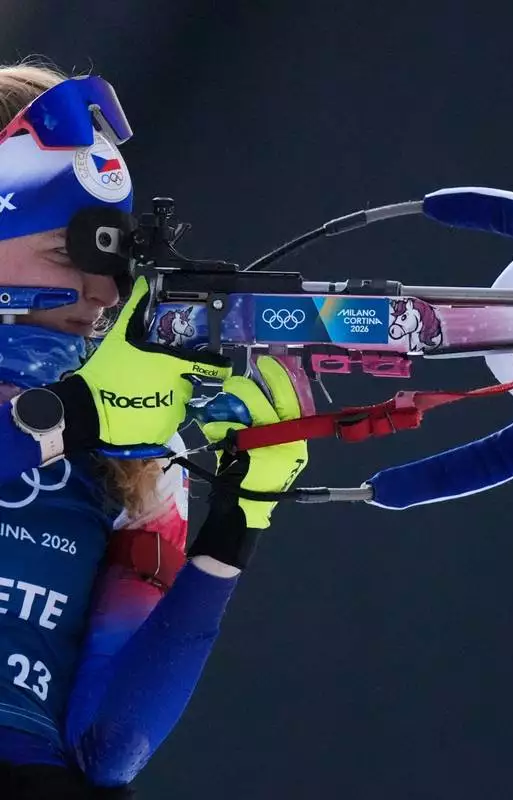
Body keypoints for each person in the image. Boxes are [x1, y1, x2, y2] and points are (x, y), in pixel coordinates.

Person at [0, 61, 310, 798]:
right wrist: (70, 417)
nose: (106, 294)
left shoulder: (126, 444)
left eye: (115, 262)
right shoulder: (92, 415)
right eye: (67, 254)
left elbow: (110, 747)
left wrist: (237, 522)